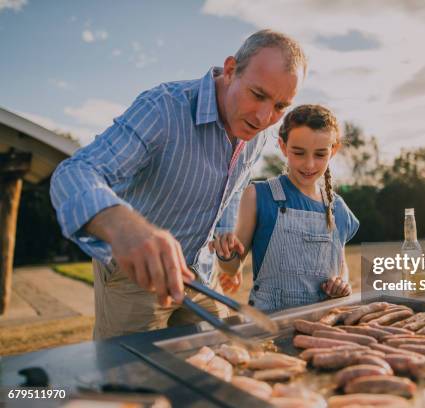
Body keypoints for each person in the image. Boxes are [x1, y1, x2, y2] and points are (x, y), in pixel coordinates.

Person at [50, 30, 307, 339]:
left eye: (281, 106)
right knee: (132, 381)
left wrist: (225, 233)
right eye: (258, 94)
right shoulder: (163, 108)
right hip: (136, 277)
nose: (265, 116)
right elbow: (74, 172)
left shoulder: (259, 132)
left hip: (202, 274)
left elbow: (235, 184)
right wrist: (123, 226)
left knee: (226, 358)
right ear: (230, 69)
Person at [208, 104, 359, 312]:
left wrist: (341, 283)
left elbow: (341, 267)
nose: (309, 164)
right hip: (271, 322)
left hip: (325, 324)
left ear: (334, 150)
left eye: (320, 154)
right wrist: (225, 254)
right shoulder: (257, 195)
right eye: (298, 153)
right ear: (282, 146)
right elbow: (232, 267)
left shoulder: (338, 208)